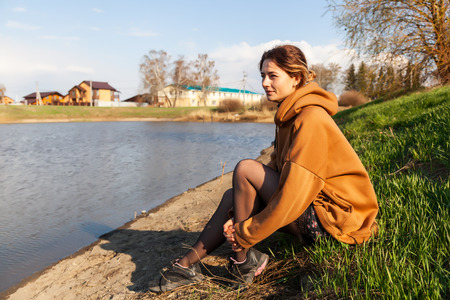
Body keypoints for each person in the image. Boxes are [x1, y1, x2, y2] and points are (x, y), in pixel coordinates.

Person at [148, 44, 379, 293]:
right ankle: (185, 267)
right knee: (231, 196)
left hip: (334, 222)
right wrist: (238, 215)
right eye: (263, 76)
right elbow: (276, 170)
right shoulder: (289, 115)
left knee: (246, 169)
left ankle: (241, 260)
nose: (265, 83)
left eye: (273, 76)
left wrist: (245, 232)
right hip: (317, 210)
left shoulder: (310, 118)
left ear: (296, 78)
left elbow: (294, 196)